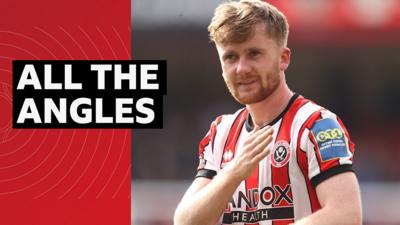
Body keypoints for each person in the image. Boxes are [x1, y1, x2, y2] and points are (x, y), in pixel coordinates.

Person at [174, 0, 362, 224]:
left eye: (254, 54)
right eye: (230, 57)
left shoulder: (317, 125)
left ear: (283, 58)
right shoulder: (220, 133)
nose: (242, 68)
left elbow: (347, 215)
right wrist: (232, 173)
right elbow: (185, 221)